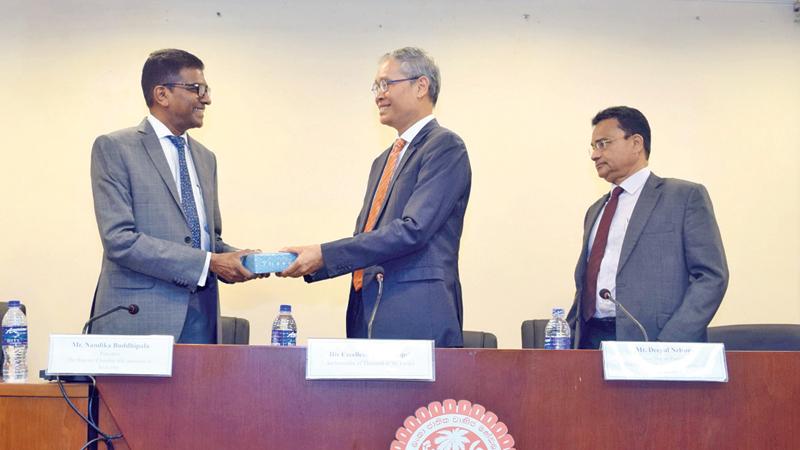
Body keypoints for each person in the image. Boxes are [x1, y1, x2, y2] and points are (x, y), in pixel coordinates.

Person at [280, 47, 471, 347]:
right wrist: (318, 261)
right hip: (367, 313)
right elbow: (366, 238)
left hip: (417, 316)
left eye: (386, 84)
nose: (378, 95)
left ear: (421, 86)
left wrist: (324, 255)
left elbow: (413, 230)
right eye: (376, 87)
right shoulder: (383, 161)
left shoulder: (445, 147)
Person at [89, 49, 259, 343]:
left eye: (206, 89)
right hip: (139, 320)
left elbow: (206, 240)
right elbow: (120, 240)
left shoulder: (206, 158)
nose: (206, 98)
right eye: (196, 89)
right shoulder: (115, 148)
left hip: (202, 319)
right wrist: (209, 263)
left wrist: (239, 258)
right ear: (161, 94)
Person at [566, 106, 729, 349]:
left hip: (653, 342)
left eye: (603, 144)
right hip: (590, 341)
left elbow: (712, 277)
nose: (594, 155)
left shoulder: (683, 197)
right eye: (593, 147)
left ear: (636, 143)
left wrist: (669, 343)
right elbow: (586, 286)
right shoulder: (595, 211)